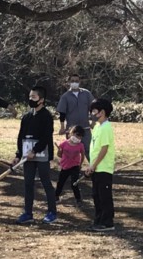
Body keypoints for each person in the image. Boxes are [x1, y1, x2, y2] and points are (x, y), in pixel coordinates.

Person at [13, 86, 57, 224]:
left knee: (45, 182)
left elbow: (45, 137)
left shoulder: (47, 116)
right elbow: (21, 136)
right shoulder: (26, 117)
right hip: (27, 155)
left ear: (41, 100)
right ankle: (28, 213)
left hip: (41, 154)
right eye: (30, 97)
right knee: (28, 183)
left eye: (34, 97)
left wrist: (35, 150)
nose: (30, 99)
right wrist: (18, 154)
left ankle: (52, 212)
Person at [85, 98, 116, 232]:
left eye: (94, 111)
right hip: (96, 168)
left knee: (104, 197)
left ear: (102, 112)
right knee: (96, 196)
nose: (92, 113)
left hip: (104, 168)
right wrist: (90, 165)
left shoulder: (106, 127)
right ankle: (98, 220)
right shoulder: (97, 126)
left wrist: (95, 164)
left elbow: (104, 149)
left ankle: (107, 222)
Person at [57, 74, 95, 160]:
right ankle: (71, 170)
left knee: (89, 150)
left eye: (76, 81)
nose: (75, 82)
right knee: (72, 151)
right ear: (69, 82)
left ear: (80, 82)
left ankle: (94, 169)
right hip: (72, 130)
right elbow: (62, 113)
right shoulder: (65, 96)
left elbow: (93, 108)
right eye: (72, 81)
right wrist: (62, 127)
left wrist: (93, 122)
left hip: (85, 128)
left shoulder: (86, 94)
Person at [55, 125, 86, 207]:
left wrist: (80, 164)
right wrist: (59, 150)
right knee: (60, 182)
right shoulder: (64, 143)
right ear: (71, 133)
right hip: (65, 166)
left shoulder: (80, 145)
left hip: (75, 166)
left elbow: (82, 155)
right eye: (77, 135)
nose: (78, 138)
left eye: (80, 137)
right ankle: (56, 196)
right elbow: (59, 155)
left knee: (74, 183)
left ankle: (78, 199)